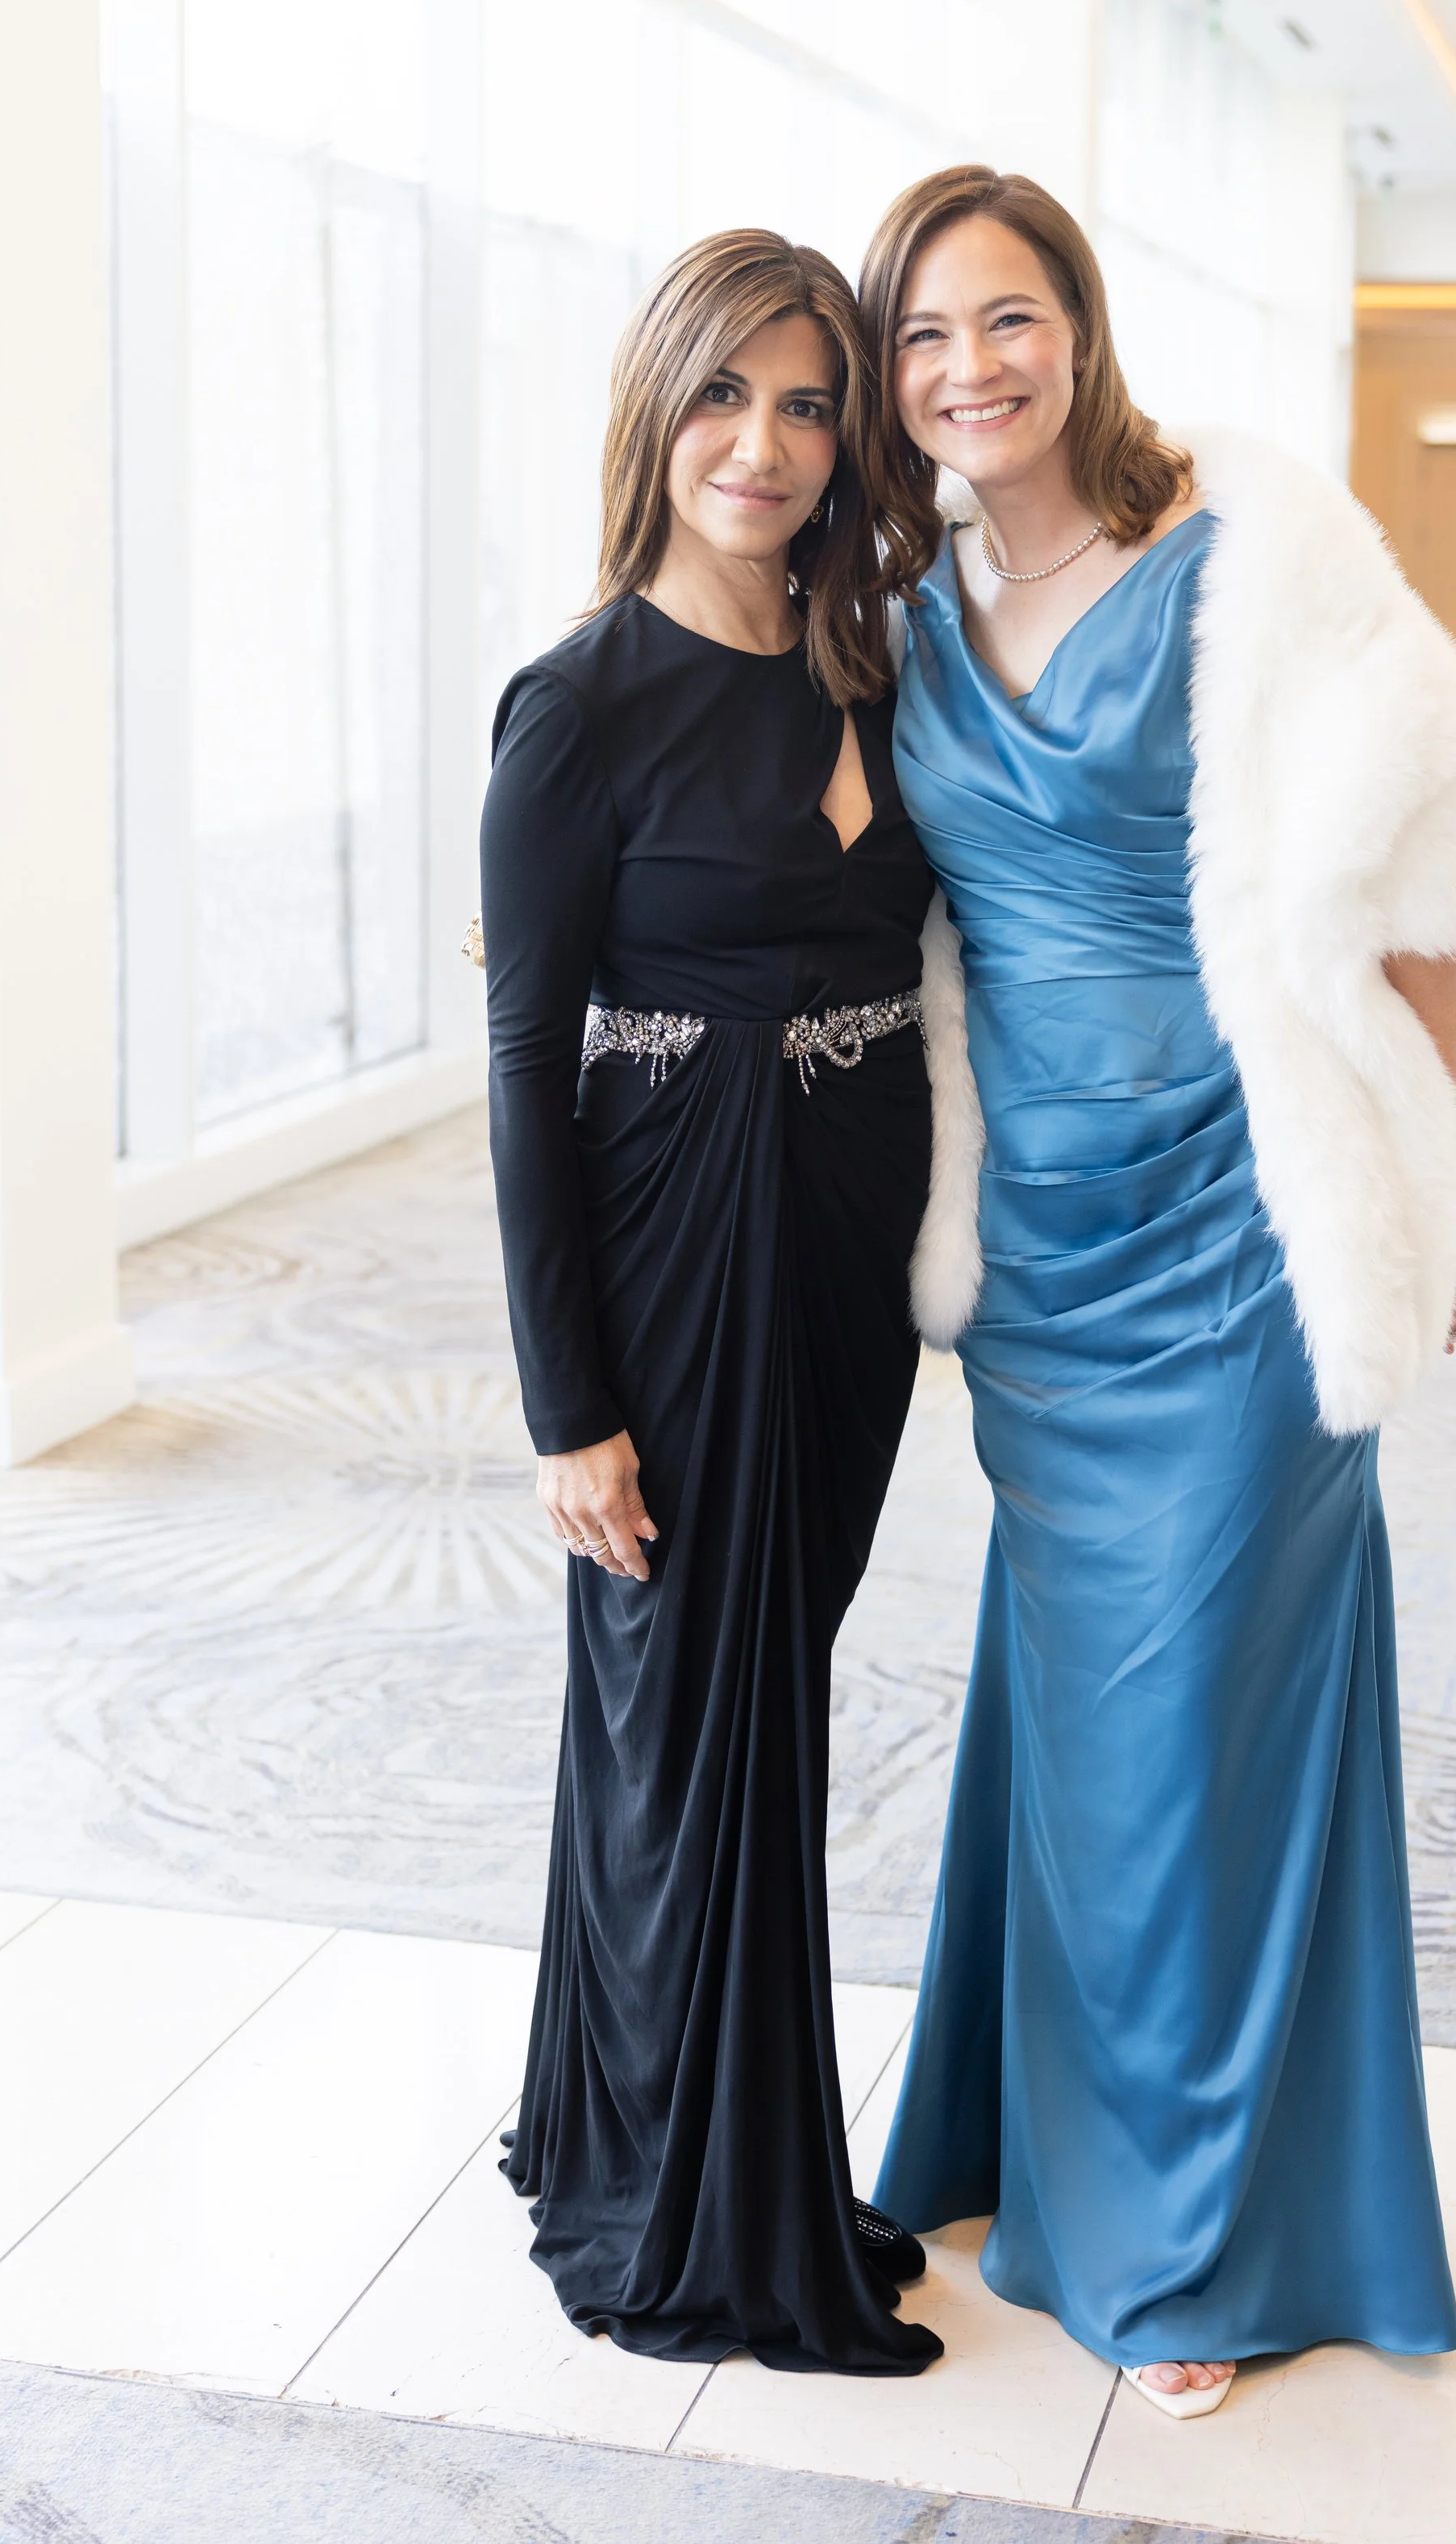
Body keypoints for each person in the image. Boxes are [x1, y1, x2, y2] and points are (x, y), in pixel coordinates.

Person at [861, 165, 1456, 2417]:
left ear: (1079, 323)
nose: (970, 366)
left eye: (1006, 315)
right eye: (923, 334)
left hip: (1245, 1240)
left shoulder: (1252, 564)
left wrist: (1430, 1203)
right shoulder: (909, 608)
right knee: (1087, 1735)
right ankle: (1035, 2141)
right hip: (1043, 1267)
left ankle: (1196, 2246)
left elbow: (1419, 891)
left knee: (1196, 1744)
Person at [479, 228, 940, 2376]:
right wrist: (565, 1407)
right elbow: (519, 1068)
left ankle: (658, 2119)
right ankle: (693, 2206)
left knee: (761, 1700)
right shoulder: (577, 709)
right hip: (679, 1243)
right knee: (690, 1714)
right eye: (724, 394)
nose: (762, 442)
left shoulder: (872, 659)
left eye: (807, 401)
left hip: (846, 1245)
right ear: (655, 411)